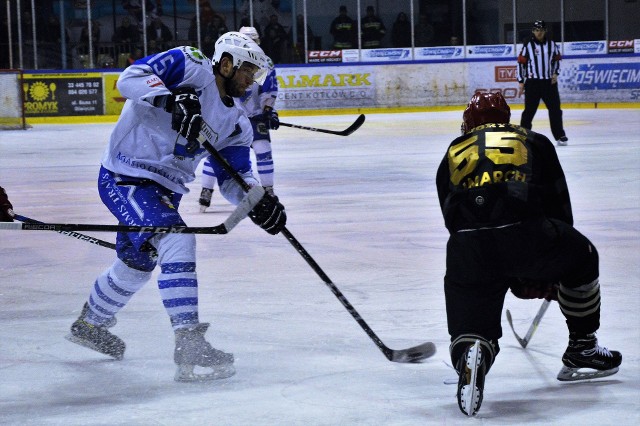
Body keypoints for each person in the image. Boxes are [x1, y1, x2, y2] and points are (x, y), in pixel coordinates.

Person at [66, 33, 287, 382]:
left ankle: (89, 325)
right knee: (177, 239)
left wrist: (257, 202)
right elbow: (129, 79)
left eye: (256, 75)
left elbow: (235, 178)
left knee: (136, 265)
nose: (251, 80)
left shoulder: (237, 123)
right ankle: (189, 341)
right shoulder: (191, 63)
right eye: (248, 70)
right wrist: (172, 98)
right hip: (125, 175)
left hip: (165, 191)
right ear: (226, 63)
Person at [436, 92, 622, 416]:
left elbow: (455, 219)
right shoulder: (532, 140)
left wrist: (501, 272)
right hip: (526, 235)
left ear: (467, 123)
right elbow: (560, 212)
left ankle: (472, 350)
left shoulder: (452, 151)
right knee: (583, 255)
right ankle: (583, 346)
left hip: (467, 248)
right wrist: (548, 271)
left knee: (472, 322)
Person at [199, 26, 280, 212]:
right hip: (227, 116)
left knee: (263, 150)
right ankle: (206, 190)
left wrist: (268, 109)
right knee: (215, 154)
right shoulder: (229, 64)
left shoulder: (263, 64)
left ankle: (267, 190)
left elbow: (268, 87)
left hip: (252, 116)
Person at [517, 20, 569, 146]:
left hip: (549, 83)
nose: (539, 32)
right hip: (533, 83)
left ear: (545, 31)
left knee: (555, 110)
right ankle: (523, 135)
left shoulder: (552, 45)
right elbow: (521, 63)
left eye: (541, 30)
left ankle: (560, 135)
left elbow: (557, 60)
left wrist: (556, 74)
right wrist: (521, 81)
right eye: (536, 30)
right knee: (529, 110)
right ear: (533, 32)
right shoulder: (528, 45)